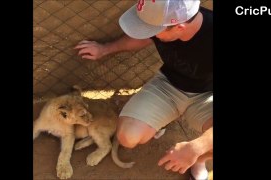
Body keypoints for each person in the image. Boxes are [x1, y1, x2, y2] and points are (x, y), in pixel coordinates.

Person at [74, 0, 212, 179]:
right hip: (168, 85)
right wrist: (105, 49)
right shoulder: (165, 15)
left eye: (152, 31)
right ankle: (166, 118)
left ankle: (199, 160)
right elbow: (141, 38)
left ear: (179, 27)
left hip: (207, 96)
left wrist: (197, 148)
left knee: (205, 146)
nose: (149, 34)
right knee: (127, 137)